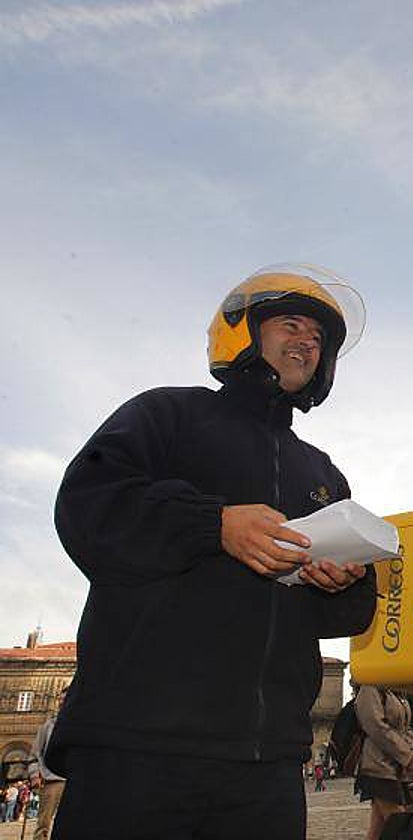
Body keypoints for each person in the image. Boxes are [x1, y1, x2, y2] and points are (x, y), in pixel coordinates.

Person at [48, 265, 379, 839]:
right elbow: (87, 507)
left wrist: (342, 581)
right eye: (291, 325)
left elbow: (346, 615)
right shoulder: (166, 415)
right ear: (241, 331)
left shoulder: (322, 474)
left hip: (269, 765)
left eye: (318, 338)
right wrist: (214, 524)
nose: (307, 342)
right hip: (138, 750)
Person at [355, 685, 413, 840]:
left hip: (395, 767)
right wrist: (405, 754)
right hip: (378, 766)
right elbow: (376, 727)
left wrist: (411, 751)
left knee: (378, 829)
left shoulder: (397, 690)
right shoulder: (369, 689)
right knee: (398, 822)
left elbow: (406, 727)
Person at [28, 684, 68, 840]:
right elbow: (34, 754)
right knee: (43, 824)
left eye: (66, 699)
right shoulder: (47, 726)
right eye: (60, 699)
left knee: (69, 822)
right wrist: (34, 775)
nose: (62, 702)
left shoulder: (78, 726)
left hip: (73, 782)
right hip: (52, 781)